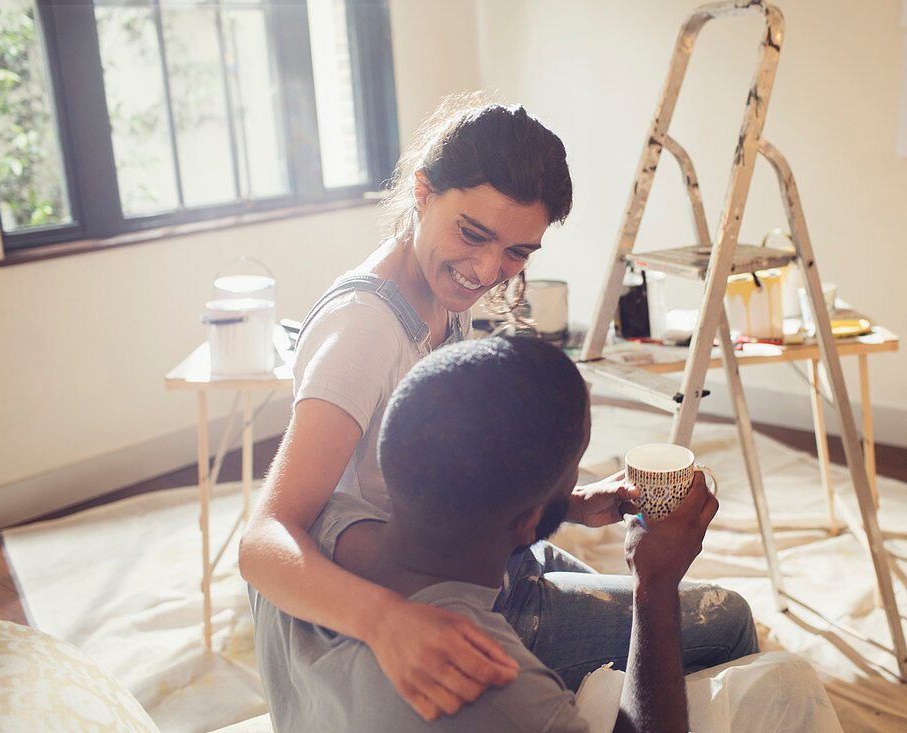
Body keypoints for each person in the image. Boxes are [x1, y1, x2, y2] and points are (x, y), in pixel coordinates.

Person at [239, 95, 758, 721]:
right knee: (725, 621)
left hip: (480, 562)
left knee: (598, 577)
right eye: (473, 233)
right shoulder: (364, 330)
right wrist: (388, 623)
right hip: (432, 596)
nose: (487, 270)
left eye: (518, 252)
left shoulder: (438, 292)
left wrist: (566, 506)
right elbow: (263, 540)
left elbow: (455, 477)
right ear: (423, 192)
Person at [249, 336, 723, 732]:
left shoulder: (303, 530)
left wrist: (562, 501)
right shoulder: (489, 679)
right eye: (573, 465)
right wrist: (654, 585)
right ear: (527, 521)